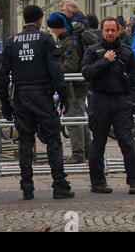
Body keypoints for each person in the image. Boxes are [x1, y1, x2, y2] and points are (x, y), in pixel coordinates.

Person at [0, 5, 74, 200]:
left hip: (21, 96)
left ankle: (27, 186)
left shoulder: (12, 42)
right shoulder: (46, 40)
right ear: (39, 20)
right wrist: (64, 97)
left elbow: (3, 75)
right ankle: (59, 184)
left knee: (25, 140)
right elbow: (56, 72)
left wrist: (5, 103)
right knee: (53, 140)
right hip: (42, 95)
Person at [82, 16, 135, 195]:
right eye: (106, 30)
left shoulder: (127, 52)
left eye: (112, 30)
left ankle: (134, 182)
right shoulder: (93, 51)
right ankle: (98, 183)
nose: (109, 33)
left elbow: (134, 78)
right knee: (98, 143)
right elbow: (86, 73)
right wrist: (105, 61)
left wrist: (130, 100)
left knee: (127, 141)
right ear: (101, 31)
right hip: (100, 101)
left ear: (118, 31)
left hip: (121, 101)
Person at [47, 12, 91, 164]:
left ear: (58, 28)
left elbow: (70, 66)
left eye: (52, 28)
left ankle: (78, 154)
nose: (52, 31)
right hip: (79, 85)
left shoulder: (69, 42)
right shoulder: (71, 39)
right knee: (79, 116)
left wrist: (57, 73)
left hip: (73, 86)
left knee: (73, 119)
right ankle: (87, 150)